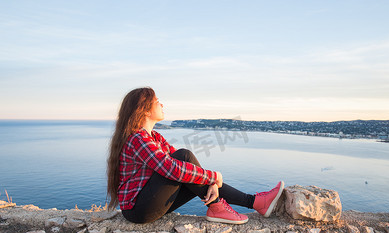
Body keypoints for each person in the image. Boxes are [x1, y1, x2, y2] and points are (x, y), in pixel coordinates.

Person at [107, 87, 284, 224]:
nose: (162, 105)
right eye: (157, 102)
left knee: (187, 167)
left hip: (147, 205)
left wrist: (210, 181)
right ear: (145, 110)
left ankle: (254, 203)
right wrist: (213, 177)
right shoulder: (137, 138)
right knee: (184, 156)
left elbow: (183, 170)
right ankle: (229, 205)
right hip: (138, 210)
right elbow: (171, 167)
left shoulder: (155, 137)